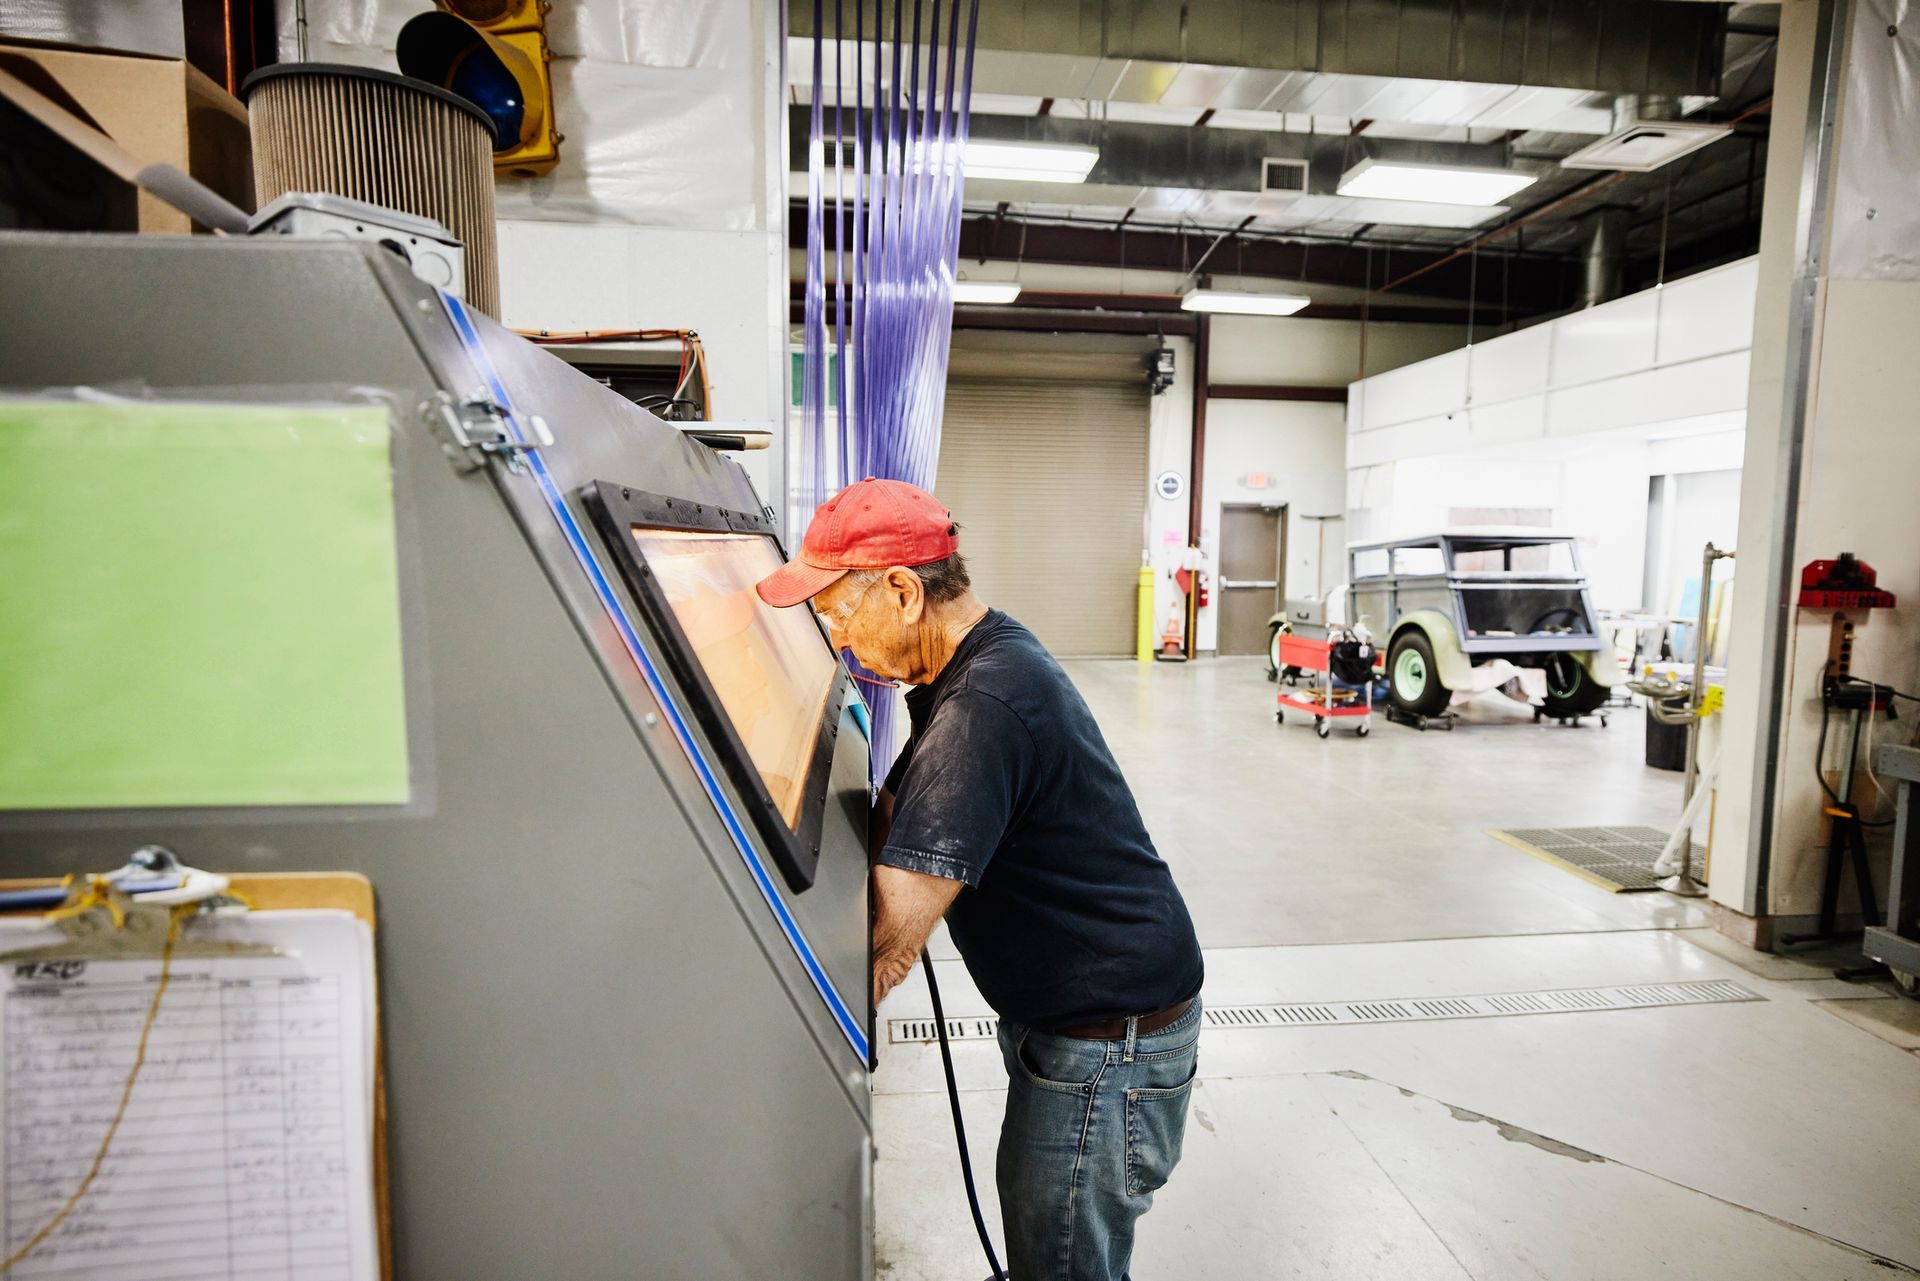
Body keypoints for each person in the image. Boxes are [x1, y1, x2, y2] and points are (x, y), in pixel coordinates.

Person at [757, 477, 1205, 1281]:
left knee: (1060, 1262)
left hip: (1107, 1042)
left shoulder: (984, 704)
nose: (836, 639)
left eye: (836, 613)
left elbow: (890, 938)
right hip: (1079, 1017)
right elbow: (901, 809)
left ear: (901, 590)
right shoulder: (974, 661)